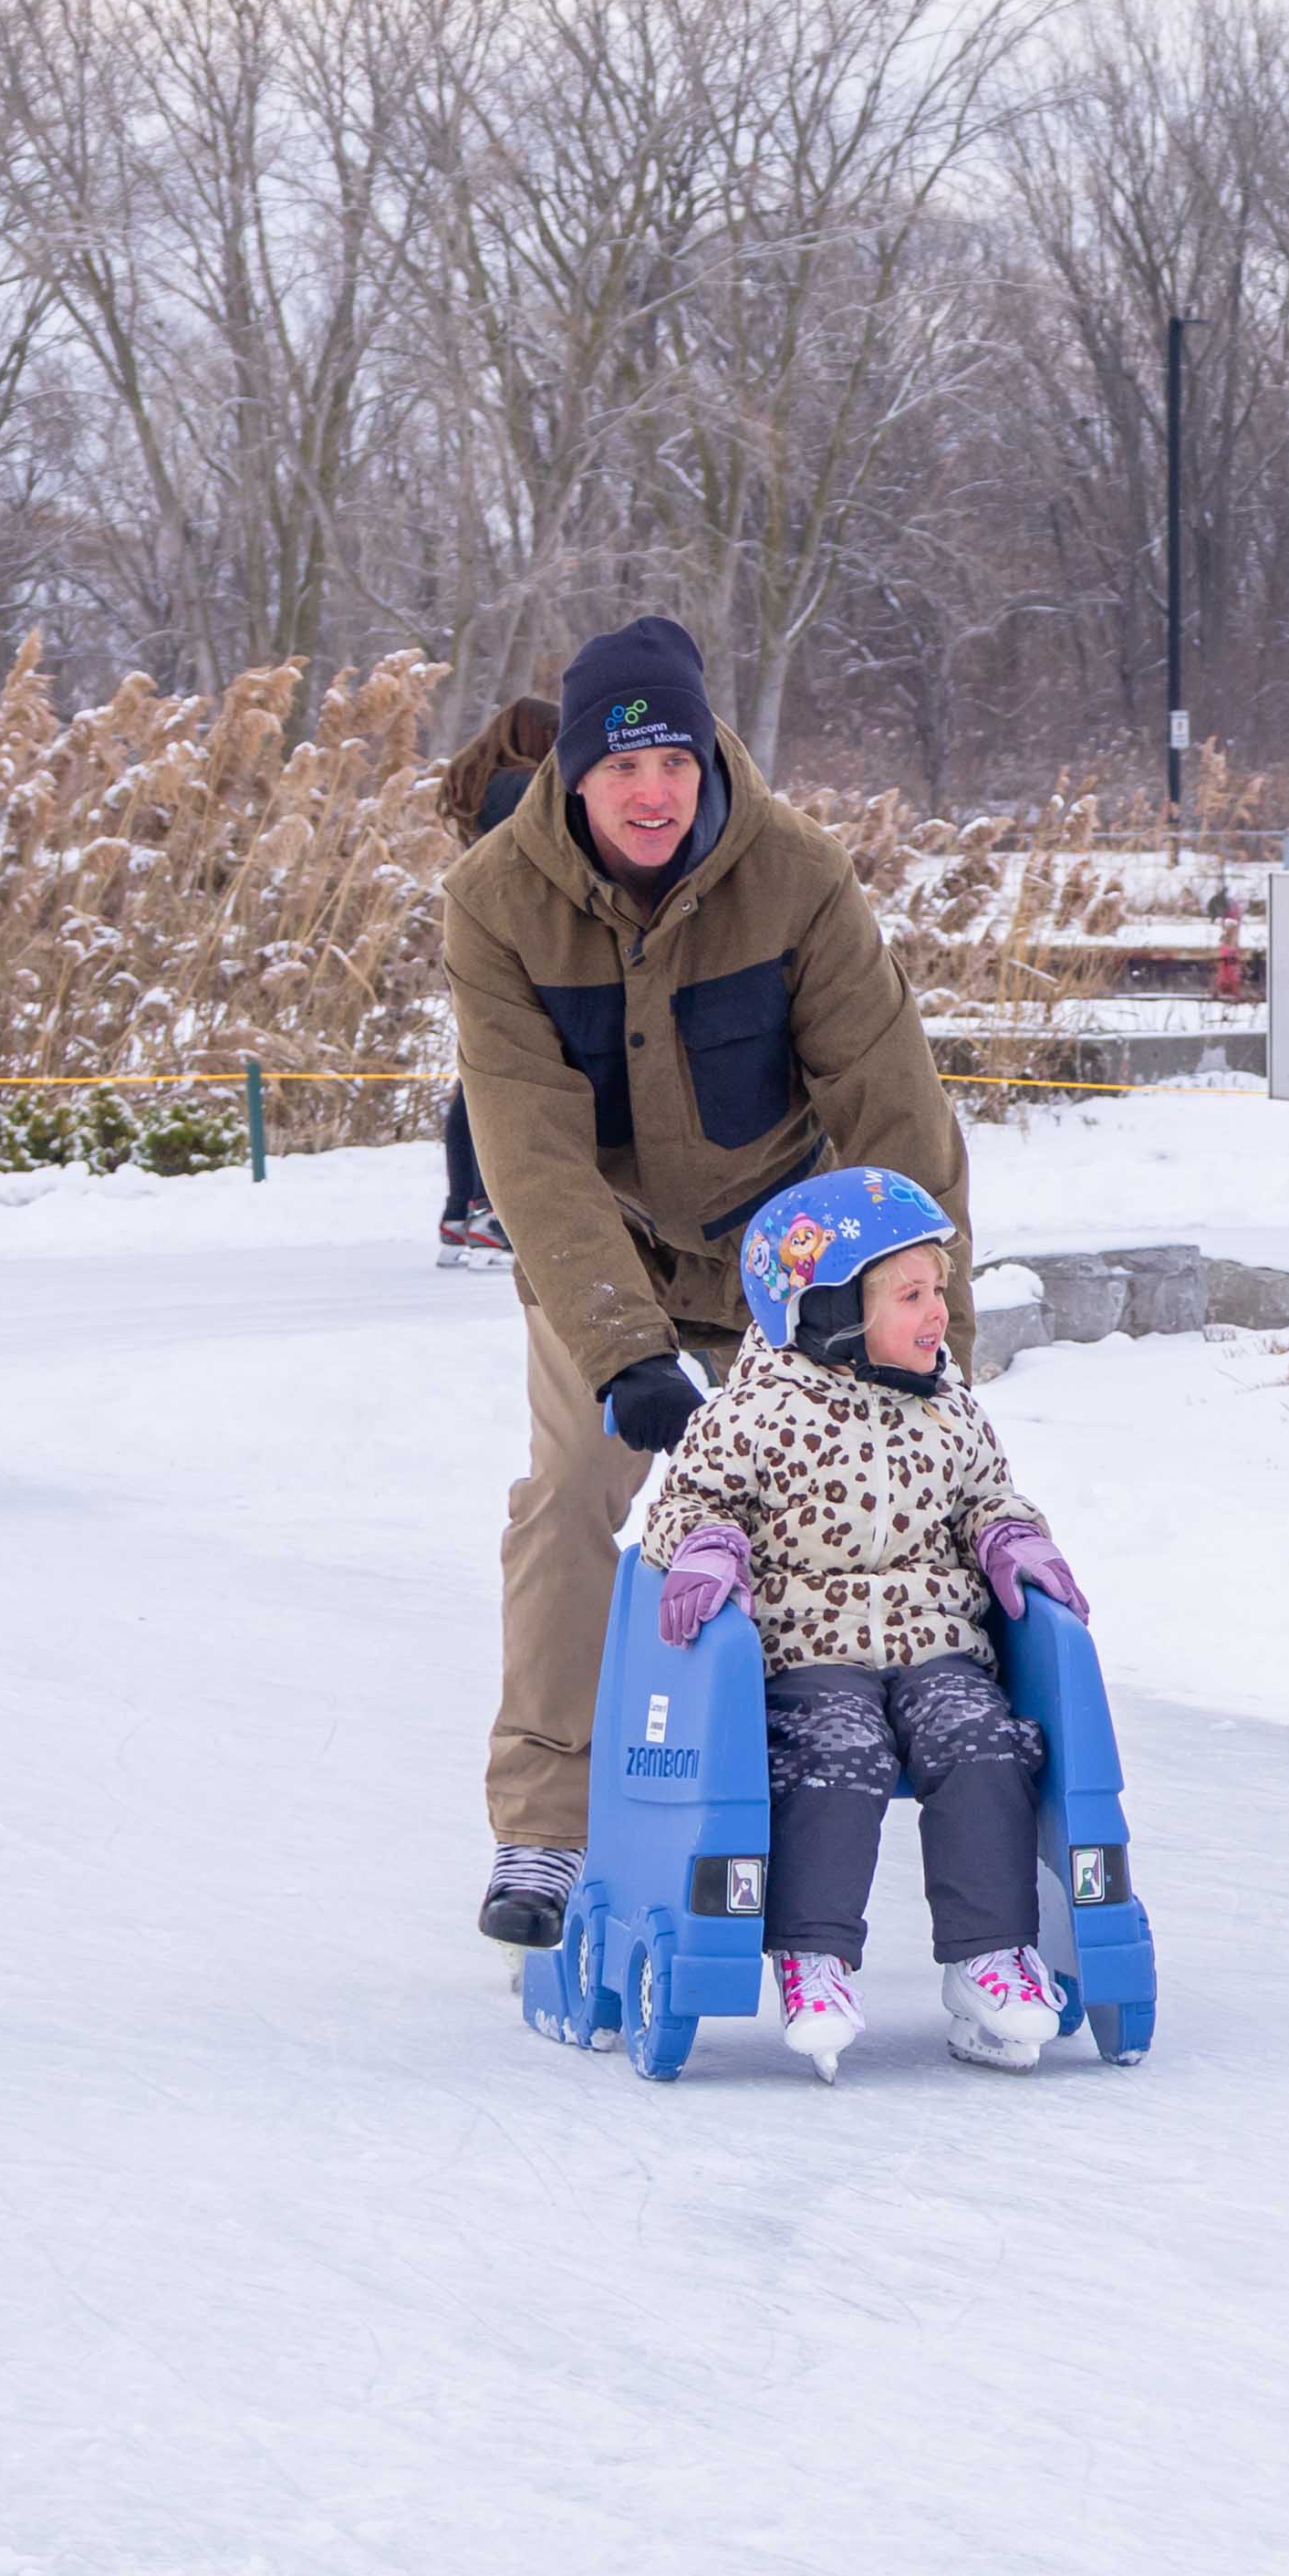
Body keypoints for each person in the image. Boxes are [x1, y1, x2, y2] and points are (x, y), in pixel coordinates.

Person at [443, 613, 977, 1950]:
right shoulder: (495, 901)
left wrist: (921, 1316)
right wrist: (623, 1346)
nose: (652, 793)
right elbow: (528, 1148)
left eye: (673, 761)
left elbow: (893, 1105)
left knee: (833, 1490)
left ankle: (824, 1780)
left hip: (783, 1249)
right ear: (574, 773)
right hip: (598, 1245)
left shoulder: (793, 872)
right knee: (575, 1491)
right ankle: (545, 1824)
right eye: (622, 766)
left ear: (706, 759)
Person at [637, 1168, 1087, 2079]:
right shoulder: (755, 1411)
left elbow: (986, 1494)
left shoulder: (949, 1407)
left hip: (938, 1644)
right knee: (836, 1753)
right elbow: (686, 1500)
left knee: (982, 1741)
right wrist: (708, 1545)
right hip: (808, 1649)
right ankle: (812, 1956)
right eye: (910, 1295)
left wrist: (1008, 1535)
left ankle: (989, 1954)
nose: (938, 1313)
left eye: (939, 1290)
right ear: (830, 1310)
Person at [427, 699, 553, 1269]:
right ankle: (489, 1211)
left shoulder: (480, 785)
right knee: (511, 1078)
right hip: (524, 942)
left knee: (478, 1075)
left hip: (478, 936)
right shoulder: (528, 788)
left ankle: (461, 1211)